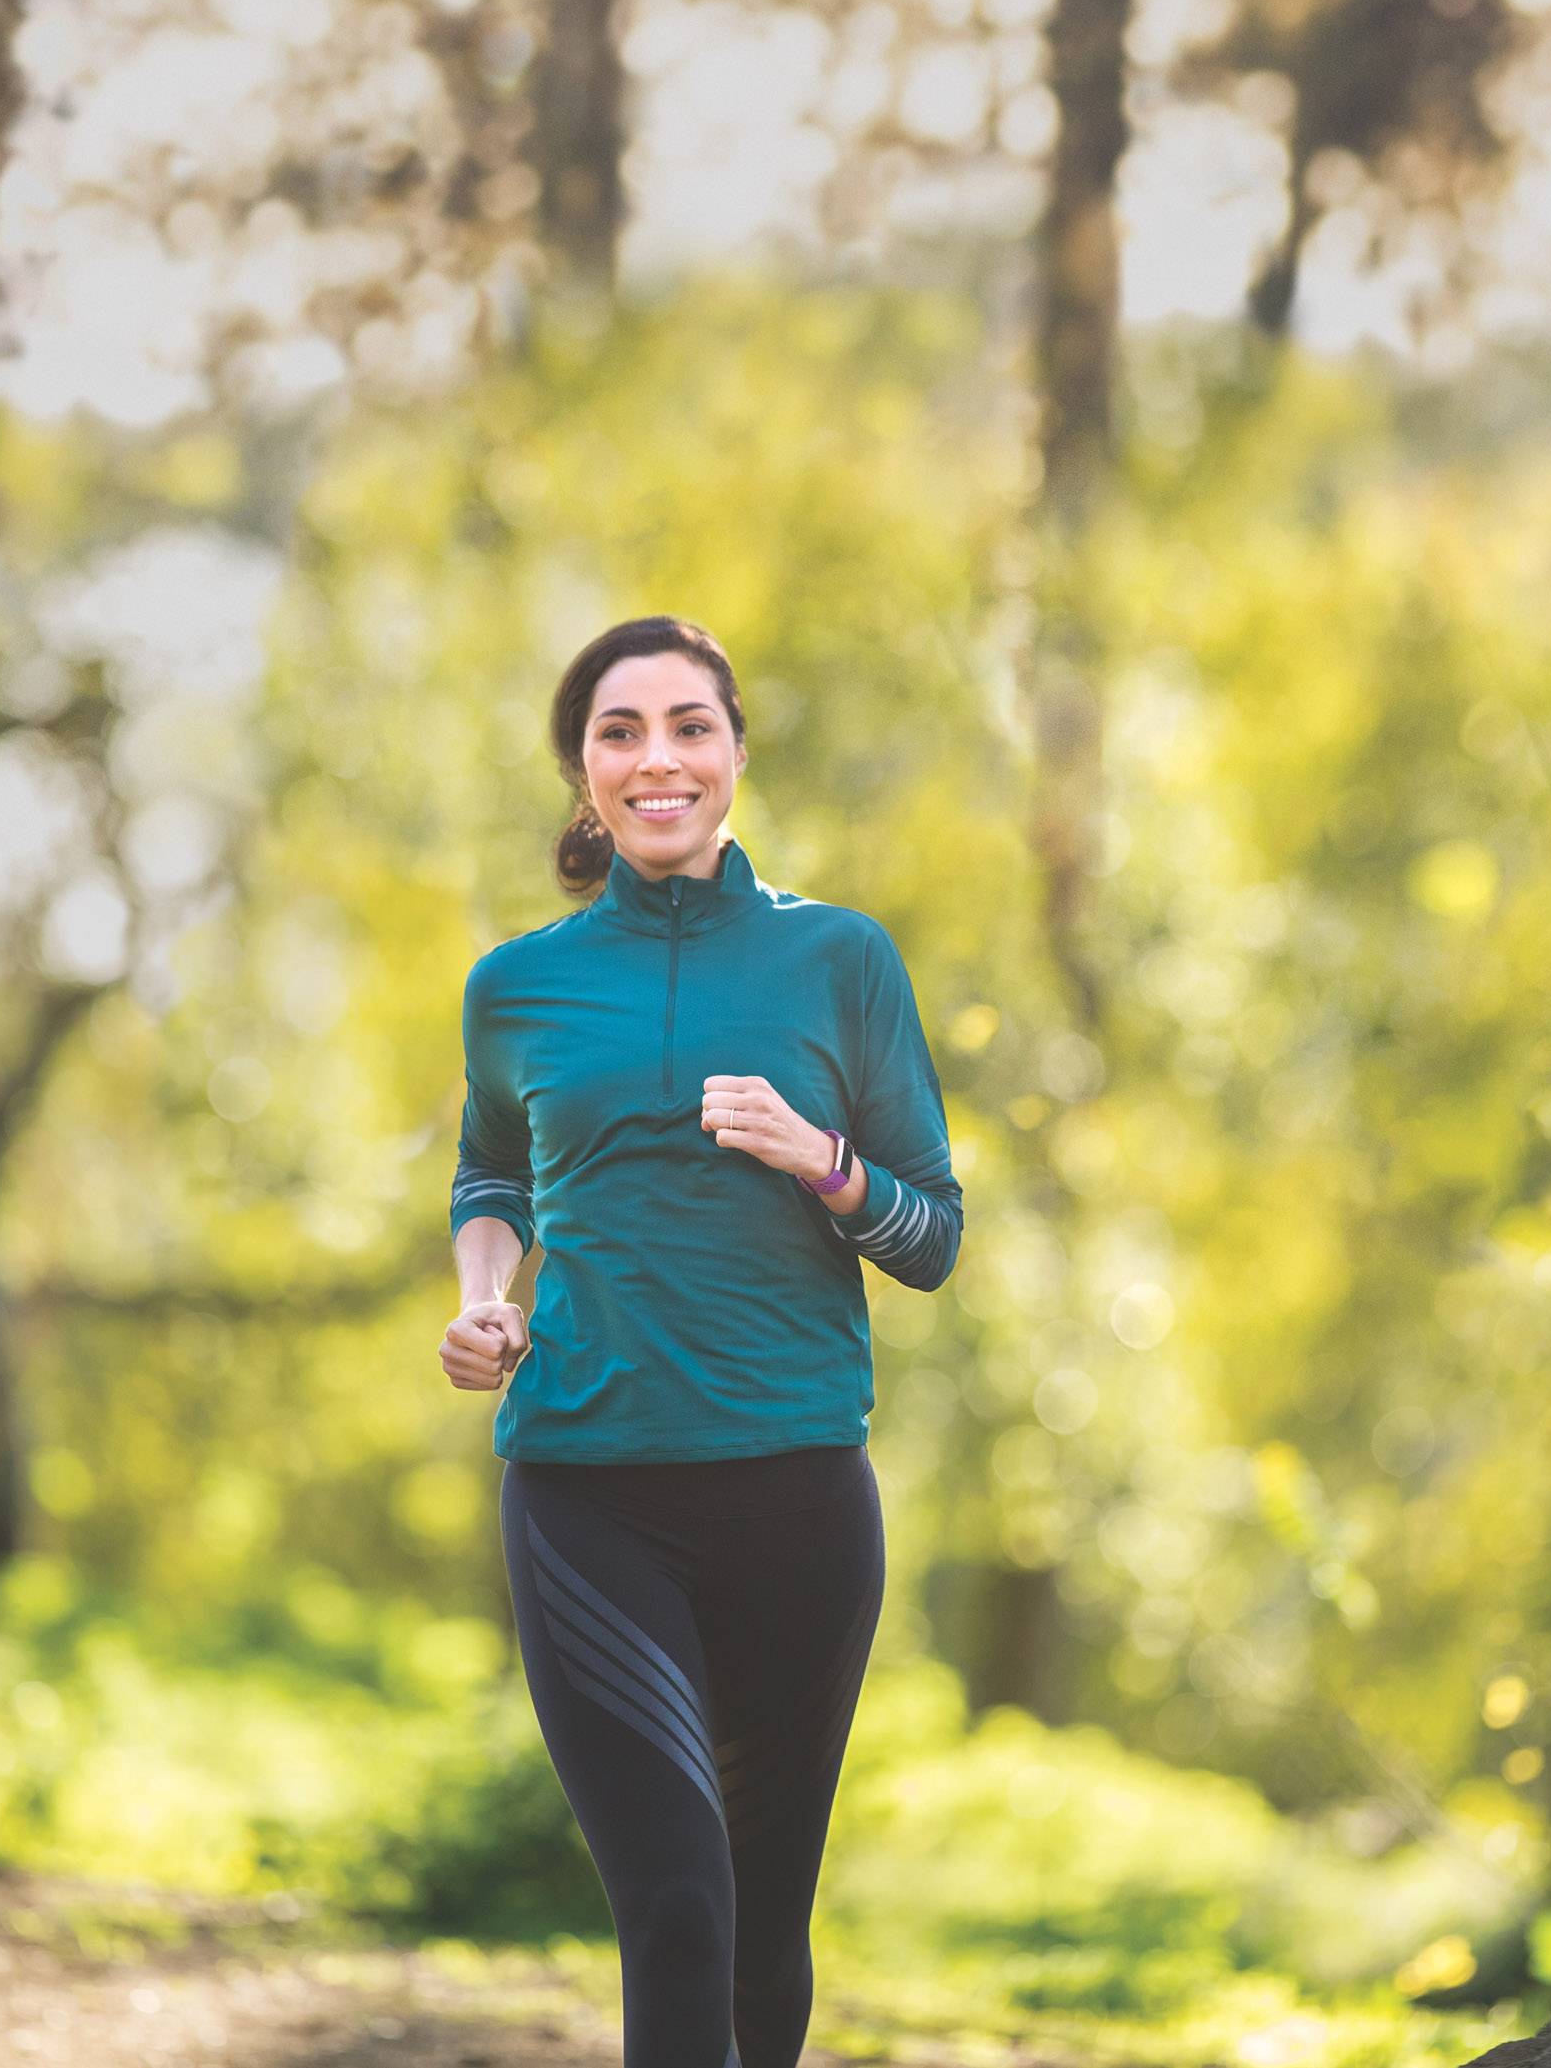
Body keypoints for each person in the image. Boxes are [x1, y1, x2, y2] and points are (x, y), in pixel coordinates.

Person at [439, 612, 964, 2068]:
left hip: (797, 1490)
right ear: (582, 770)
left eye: (689, 725)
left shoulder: (840, 961)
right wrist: (491, 1293)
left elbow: (934, 1238)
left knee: (761, 1928)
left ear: (736, 751)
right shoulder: (517, 986)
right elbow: (492, 1173)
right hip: (588, 1488)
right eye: (621, 730)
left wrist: (822, 1157)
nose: (657, 758)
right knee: (675, 1901)